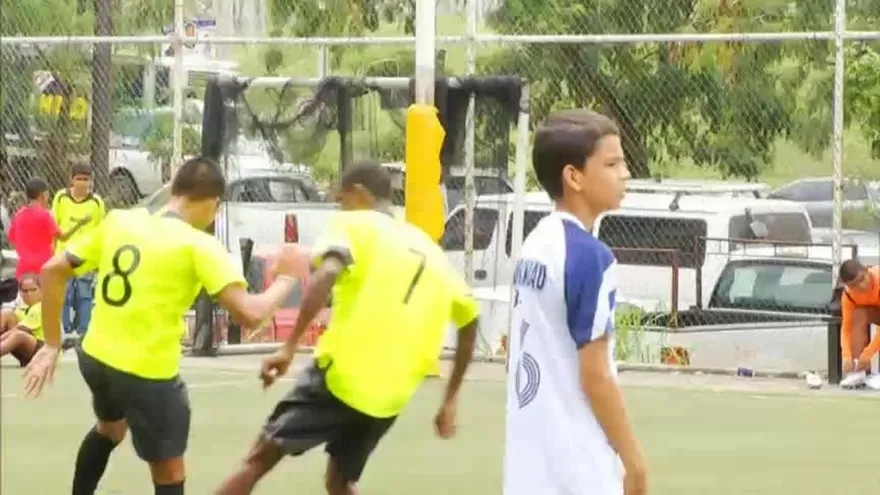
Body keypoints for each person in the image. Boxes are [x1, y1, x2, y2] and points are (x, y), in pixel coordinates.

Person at [23, 157, 302, 495]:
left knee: (109, 429)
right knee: (169, 471)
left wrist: (52, 345)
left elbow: (53, 270)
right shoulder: (199, 246)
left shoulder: (120, 221)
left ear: (173, 190)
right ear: (213, 203)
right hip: (146, 373)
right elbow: (250, 313)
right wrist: (287, 278)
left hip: (95, 357)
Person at [215, 161, 480, 495]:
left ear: (358, 195)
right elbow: (470, 319)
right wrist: (450, 398)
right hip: (390, 396)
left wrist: (289, 346)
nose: (339, 206)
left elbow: (326, 274)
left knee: (256, 460)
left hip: (341, 378)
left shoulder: (353, 223)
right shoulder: (429, 248)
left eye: (341, 199)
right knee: (340, 481)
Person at [503, 110, 646, 495]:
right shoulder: (590, 257)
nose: (625, 173)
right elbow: (595, 375)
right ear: (574, 177)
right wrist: (634, 463)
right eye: (612, 163)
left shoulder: (535, 244)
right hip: (577, 468)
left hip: (529, 466)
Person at [52, 164, 106, 339]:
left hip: (86, 257)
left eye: (86, 179)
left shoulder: (96, 202)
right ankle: (65, 330)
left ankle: (83, 331)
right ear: (71, 180)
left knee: (84, 294)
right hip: (64, 254)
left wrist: (99, 259)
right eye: (78, 179)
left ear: (91, 181)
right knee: (64, 294)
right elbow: (54, 225)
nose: (82, 183)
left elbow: (101, 230)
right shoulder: (61, 198)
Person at [6, 178, 84, 281]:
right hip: (43, 268)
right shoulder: (46, 216)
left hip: (23, 269)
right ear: (43, 195)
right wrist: (79, 224)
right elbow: (63, 238)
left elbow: (11, 239)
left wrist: (24, 251)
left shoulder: (19, 215)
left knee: (27, 295)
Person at [837, 259, 880, 389]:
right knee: (858, 314)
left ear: (866, 271)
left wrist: (868, 354)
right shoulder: (849, 295)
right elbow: (847, 328)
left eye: (862, 279)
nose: (860, 286)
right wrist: (847, 356)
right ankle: (858, 371)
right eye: (853, 285)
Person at [0, 273, 45, 366]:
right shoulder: (21, 308)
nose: (29, 294)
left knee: (18, 335)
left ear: (41, 290)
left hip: (44, 352)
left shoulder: (42, 307)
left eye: (33, 290)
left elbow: (20, 329)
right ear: (20, 293)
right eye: (25, 291)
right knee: (7, 313)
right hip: (28, 352)